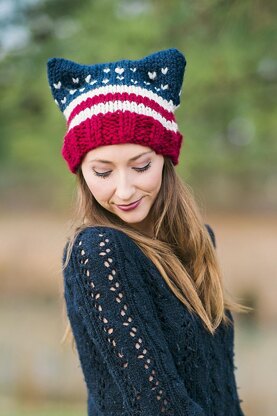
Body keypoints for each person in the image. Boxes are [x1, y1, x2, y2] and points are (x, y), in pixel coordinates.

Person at [47, 48, 249, 415]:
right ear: (81, 173)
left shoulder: (197, 242)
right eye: (103, 172)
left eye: (140, 166)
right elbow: (157, 407)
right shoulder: (98, 251)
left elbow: (220, 387)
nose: (124, 191)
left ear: (166, 160)